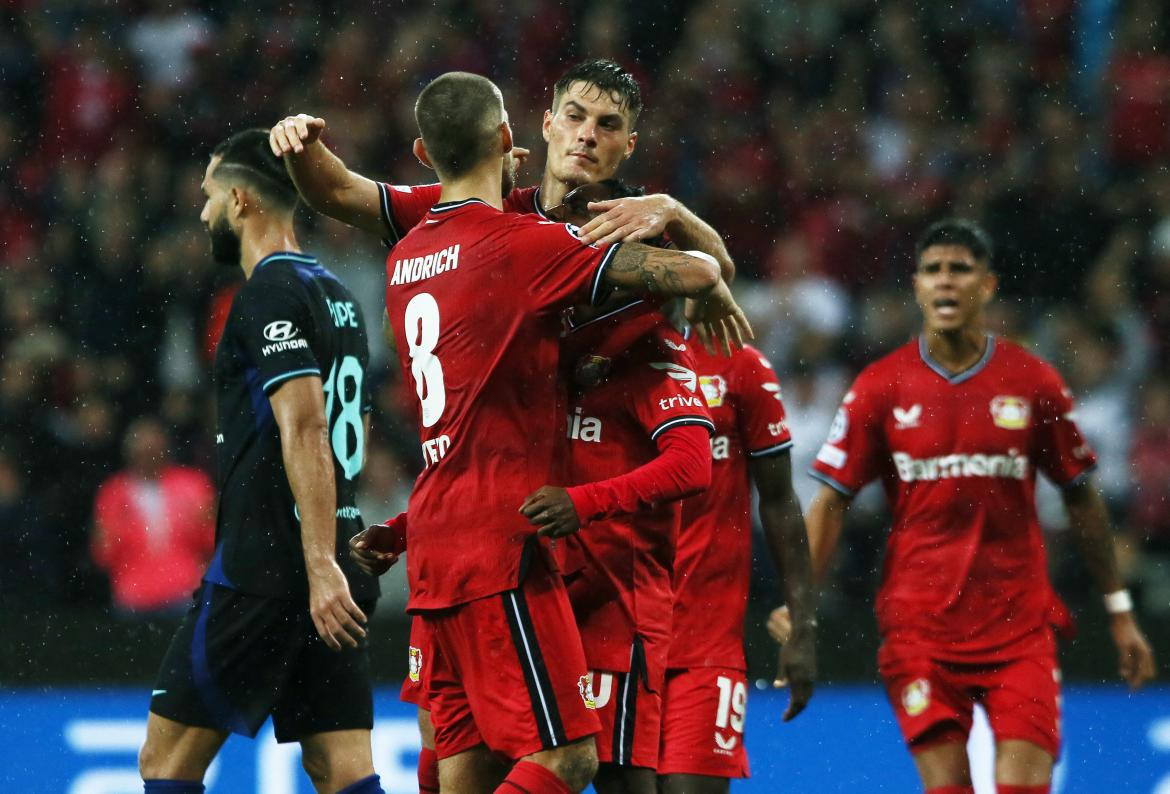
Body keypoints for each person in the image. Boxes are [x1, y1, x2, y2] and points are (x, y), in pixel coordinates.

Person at [272, 58, 742, 793]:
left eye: (609, 126)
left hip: (592, 563)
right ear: (537, 129)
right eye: (577, 117)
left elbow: (715, 271)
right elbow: (338, 192)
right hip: (512, 542)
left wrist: (675, 213)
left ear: (629, 146)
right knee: (467, 764)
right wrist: (300, 142)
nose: (589, 136)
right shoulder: (500, 222)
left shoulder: (557, 225)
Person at [796, 219, 1156, 794]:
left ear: (986, 286)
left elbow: (1081, 498)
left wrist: (1117, 609)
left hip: (1019, 629)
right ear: (916, 286)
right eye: (933, 270)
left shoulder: (1032, 380)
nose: (945, 282)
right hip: (921, 631)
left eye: (959, 269)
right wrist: (800, 606)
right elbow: (830, 501)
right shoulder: (879, 387)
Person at [138, 129, 384, 794]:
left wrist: (316, 564)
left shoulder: (266, 293)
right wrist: (338, 546)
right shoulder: (338, 293)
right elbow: (354, 423)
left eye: (208, 197)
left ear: (241, 200)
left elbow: (304, 423)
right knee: (343, 768)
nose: (202, 213)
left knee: (166, 763)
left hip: (268, 569)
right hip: (331, 563)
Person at [657, 332, 817, 794]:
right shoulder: (606, 358)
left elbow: (781, 501)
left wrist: (803, 627)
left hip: (707, 647)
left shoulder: (739, 366)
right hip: (621, 643)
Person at [92, 416, 215, 616]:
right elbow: (103, 552)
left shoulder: (193, 484)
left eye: (153, 450)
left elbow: (212, 539)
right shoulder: (113, 493)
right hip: (133, 596)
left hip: (185, 591)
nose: (148, 457)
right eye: (142, 452)